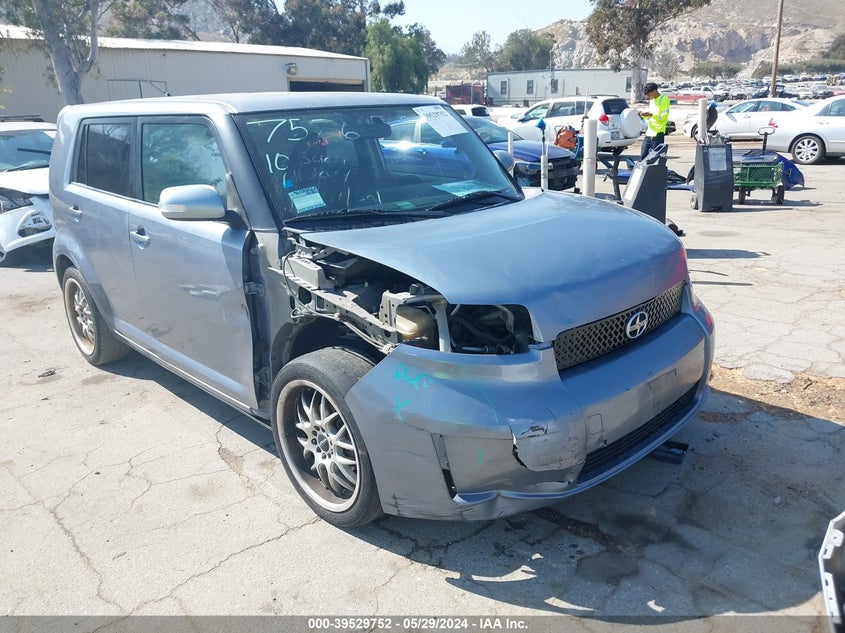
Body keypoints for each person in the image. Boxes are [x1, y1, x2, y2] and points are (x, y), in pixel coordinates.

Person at [639, 82, 670, 159]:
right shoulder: (652, 101)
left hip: (658, 133)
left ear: (654, 91)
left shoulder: (664, 99)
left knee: (656, 158)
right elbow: (651, 116)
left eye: (649, 95)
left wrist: (650, 115)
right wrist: (643, 115)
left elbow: (663, 117)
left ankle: (655, 171)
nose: (648, 97)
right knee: (643, 155)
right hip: (649, 132)